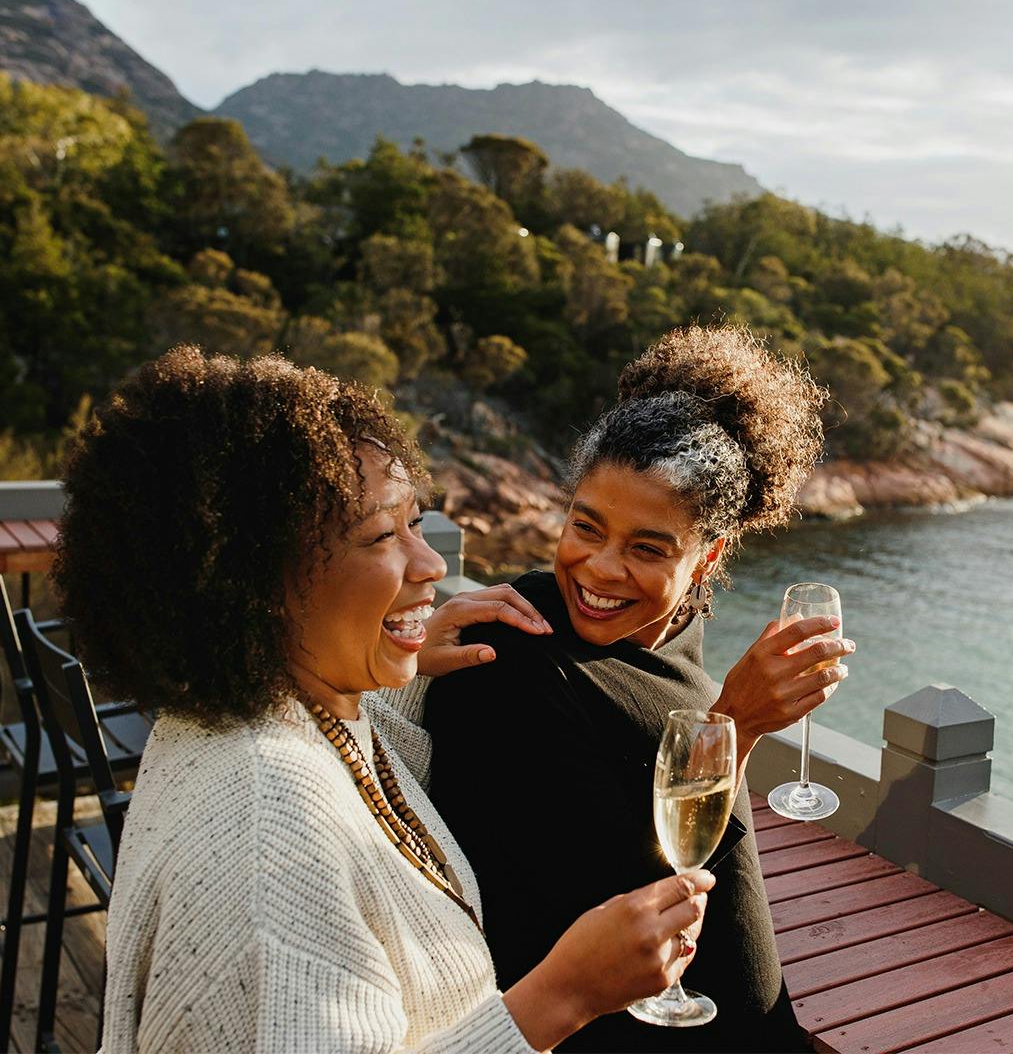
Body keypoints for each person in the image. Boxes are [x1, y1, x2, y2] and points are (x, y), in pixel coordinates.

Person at [54, 346, 714, 1053]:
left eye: (415, 524)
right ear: (250, 582)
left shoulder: (261, 711)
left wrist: (398, 664)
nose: (431, 565)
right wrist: (563, 996)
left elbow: (368, 788)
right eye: (380, 537)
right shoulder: (266, 843)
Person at [425, 326, 849, 1052]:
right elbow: (606, 915)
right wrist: (733, 727)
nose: (599, 570)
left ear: (706, 558)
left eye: (647, 548)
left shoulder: (673, 630)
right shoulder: (513, 656)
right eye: (584, 527)